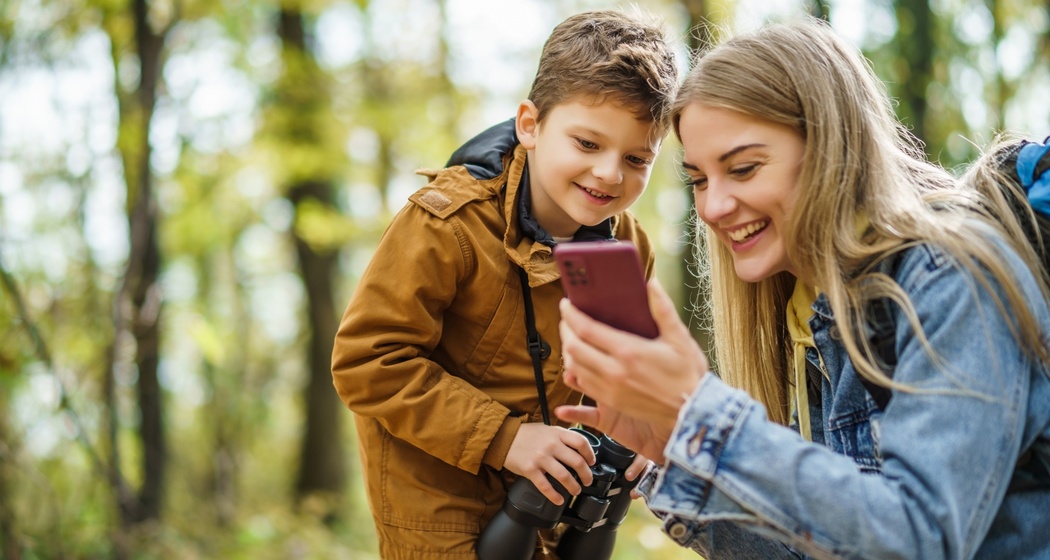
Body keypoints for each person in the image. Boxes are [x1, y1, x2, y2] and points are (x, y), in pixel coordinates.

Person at [555, 17, 1050, 560]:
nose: (713, 207)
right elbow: (825, 546)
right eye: (698, 179)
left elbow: (917, 541)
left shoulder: (950, 277)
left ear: (832, 147)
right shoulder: (807, 309)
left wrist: (703, 415)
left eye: (743, 168)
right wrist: (671, 454)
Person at [330, 9, 679, 559]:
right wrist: (508, 439)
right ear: (530, 125)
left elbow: (623, 370)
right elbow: (367, 361)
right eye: (587, 144)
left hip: (550, 501)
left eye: (637, 158)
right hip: (438, 509)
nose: (611, 174)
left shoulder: (625, 248)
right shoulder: (448, 225)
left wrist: (637, 429)